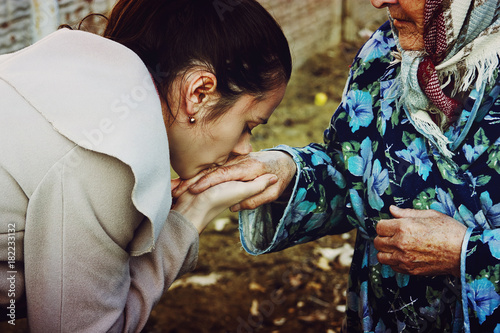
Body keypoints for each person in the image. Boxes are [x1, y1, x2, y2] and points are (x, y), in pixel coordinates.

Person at [179, 0, 500, 331]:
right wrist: (287, 171)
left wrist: (466, 254)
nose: (378, 1)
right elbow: (350, 172)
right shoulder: (386, 52)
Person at [0, 0, 291, 331]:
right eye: (248, 126)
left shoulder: (61, 70)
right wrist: (190, 218)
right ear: (199, 92)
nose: (245, 149)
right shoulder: (109, 154)